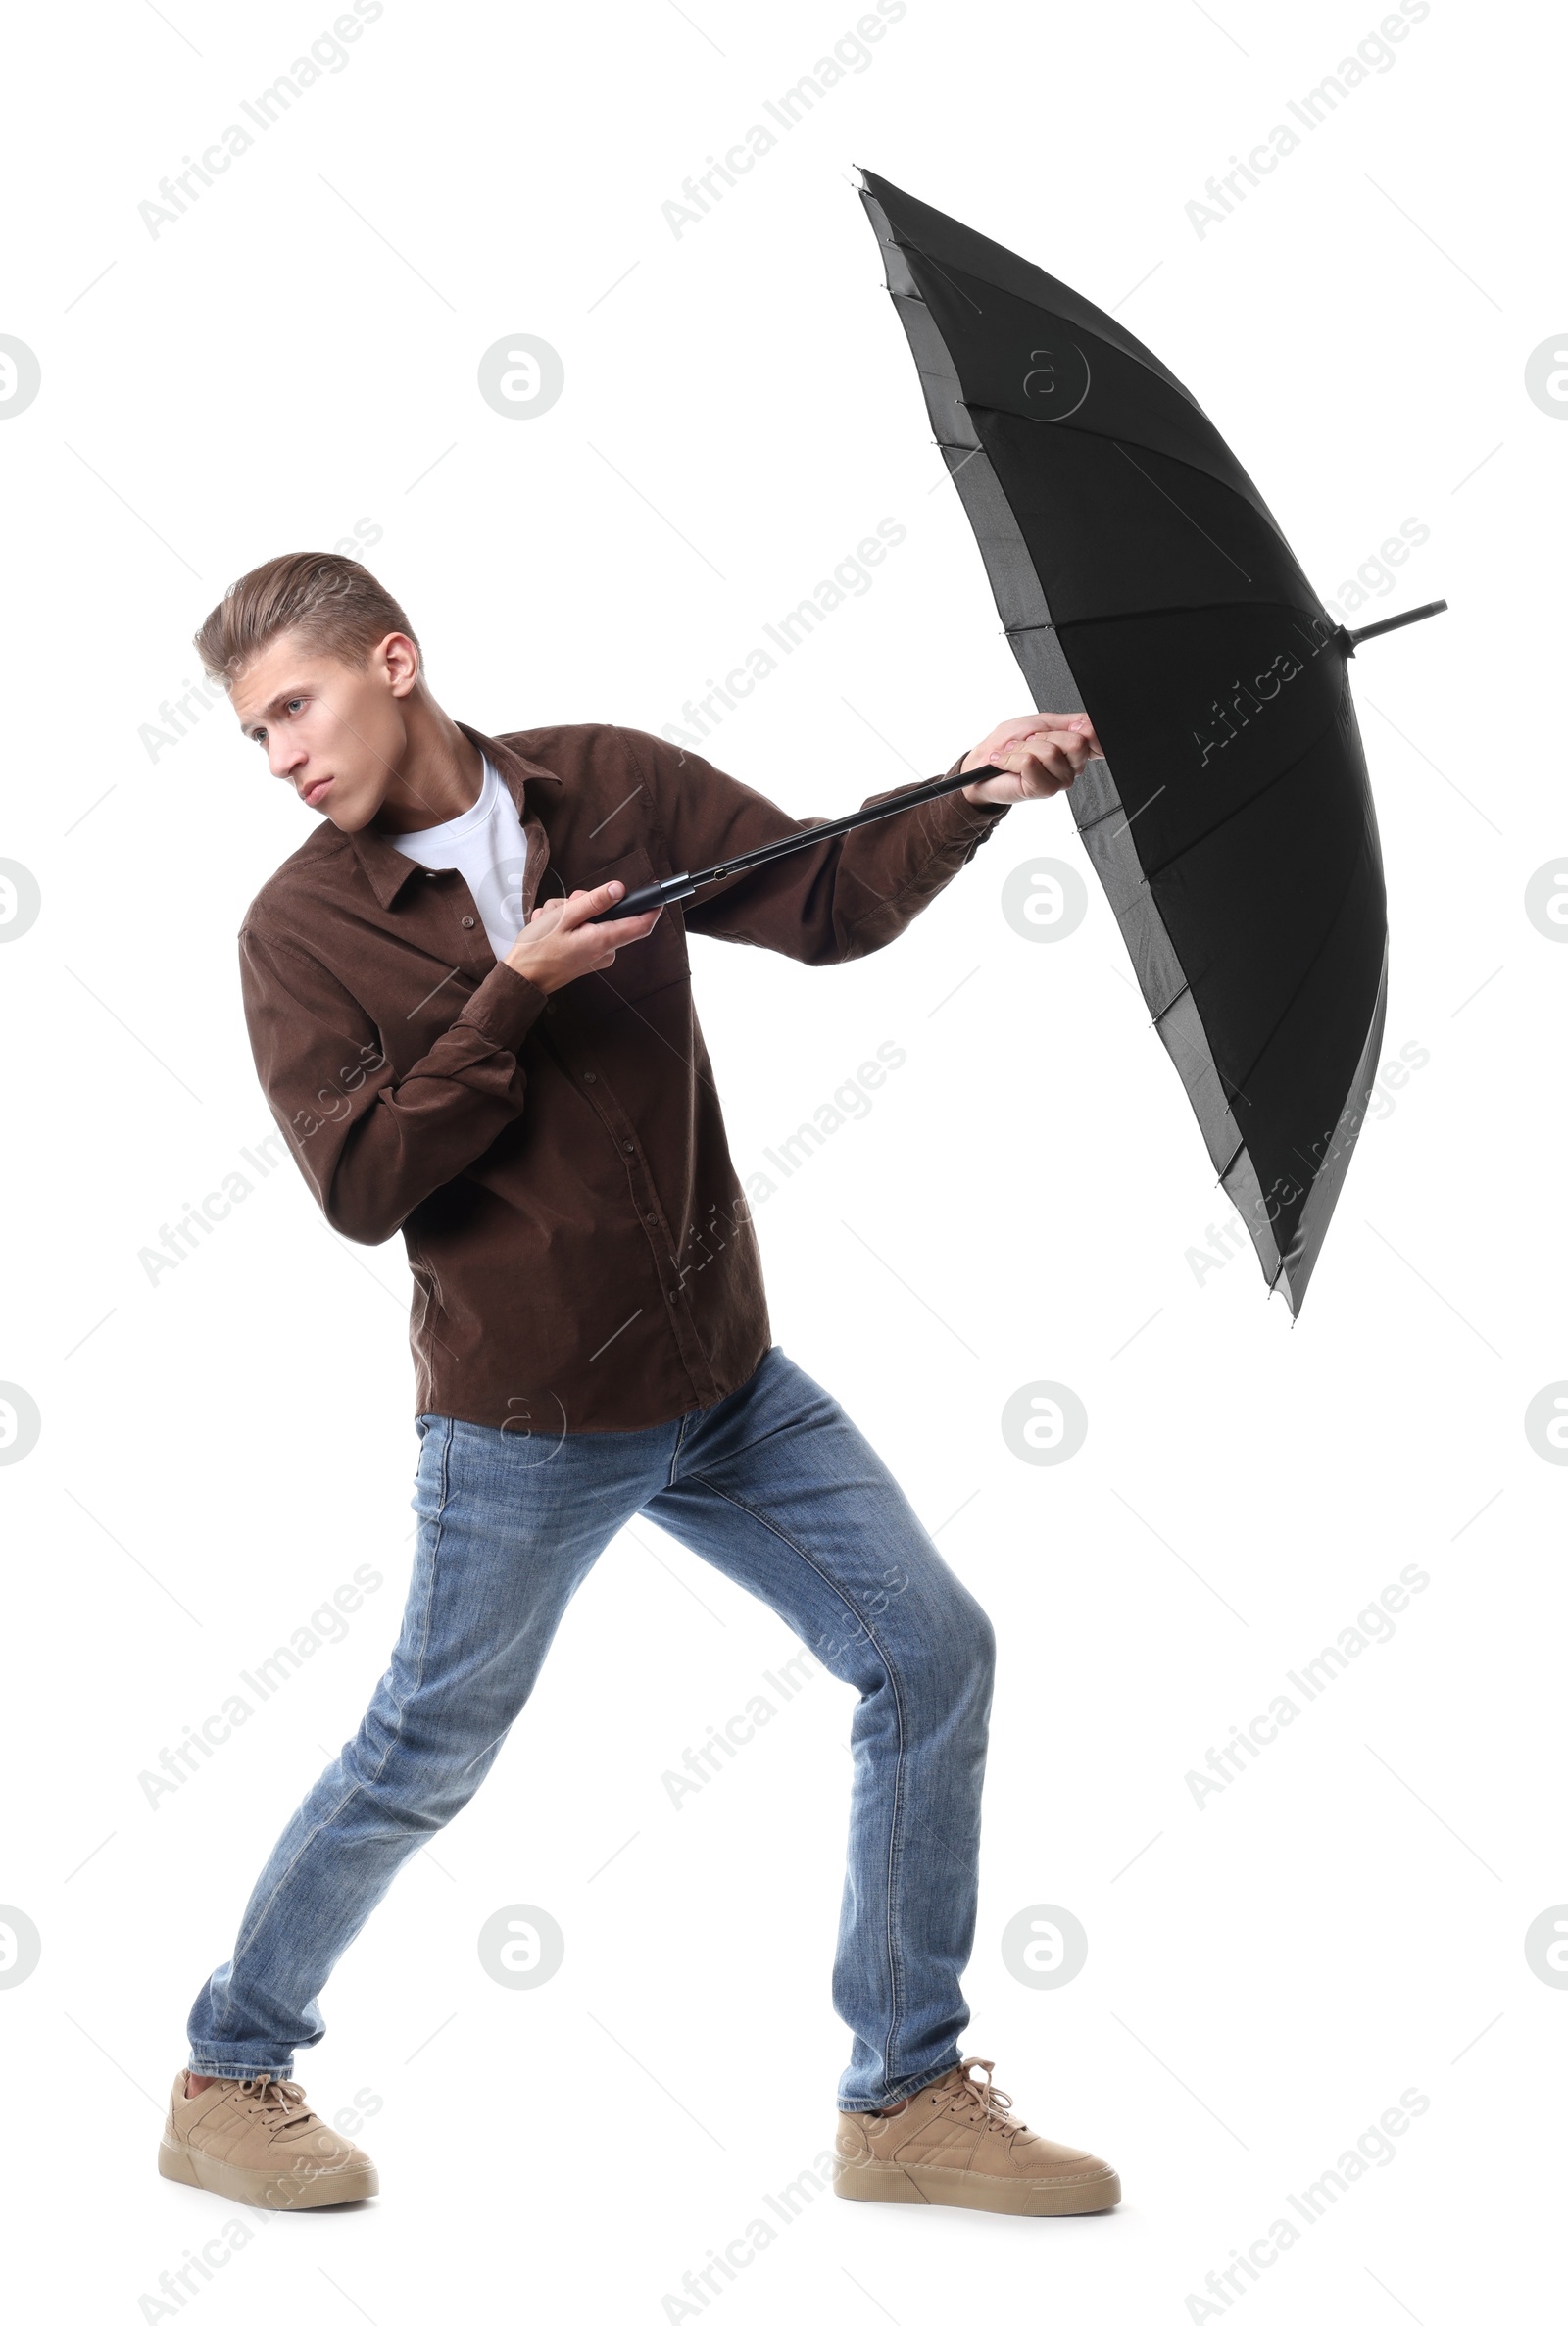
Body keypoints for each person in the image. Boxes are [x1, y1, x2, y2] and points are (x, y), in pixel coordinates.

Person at [157, 550, 1119, 2220]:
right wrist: (511, 993)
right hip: (525, 1416)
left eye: (295, 708)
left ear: (396, 659)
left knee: (932, 1648)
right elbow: (365, 1184)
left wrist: (969, 794)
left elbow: (825, 901)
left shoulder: (608, 785)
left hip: (725, 1372)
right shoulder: (297, 929)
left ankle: (901, 2093)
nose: (283, 760)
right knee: (425, 1749)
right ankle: (230, 2068)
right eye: (254, 738)